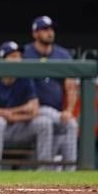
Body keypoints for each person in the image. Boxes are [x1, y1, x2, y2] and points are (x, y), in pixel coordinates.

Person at [0, 41, 54, 170]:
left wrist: (11, 114)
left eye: (19, 56)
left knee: (44, 122)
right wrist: (22, 110)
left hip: (16, 127)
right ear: (3, 60)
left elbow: (34, 110)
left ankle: (44, 170)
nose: (18, 60)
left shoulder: (25, 78)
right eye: (13, 56)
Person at [23, 16, 78, 171]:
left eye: (51, 29)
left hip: (56, 111)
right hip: (32, 109)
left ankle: (70, 172)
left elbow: (71, 86)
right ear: (35, 33)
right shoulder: (25, 53)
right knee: (48, 122)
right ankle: (45, 170)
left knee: (71, 124)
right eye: (44, 29)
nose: (50, 33)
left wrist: (69, 111)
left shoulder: (63, 55)